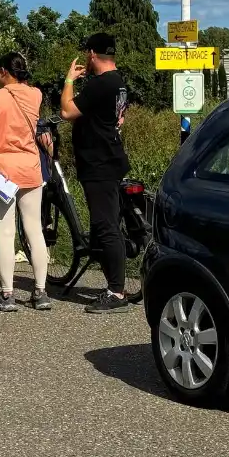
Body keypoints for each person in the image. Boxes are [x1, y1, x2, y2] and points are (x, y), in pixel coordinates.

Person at [0, 52, 52, 312]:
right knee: (34, 229)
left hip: (2, 170)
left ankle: (7, 294)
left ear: (4, 71)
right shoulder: (35, 95)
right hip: (31, 168)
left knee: (5, 232)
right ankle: (40, 292)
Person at [60, 32, 131, 314]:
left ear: (91, 54)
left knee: (105, 226)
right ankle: (115, 283)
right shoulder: (120, 83)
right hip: (112, 158)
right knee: (109, 222)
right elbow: (120, 118)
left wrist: (68, 80)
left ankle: (116, 293)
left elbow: (66, 112)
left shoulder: (100, 84)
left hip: (98, 163)